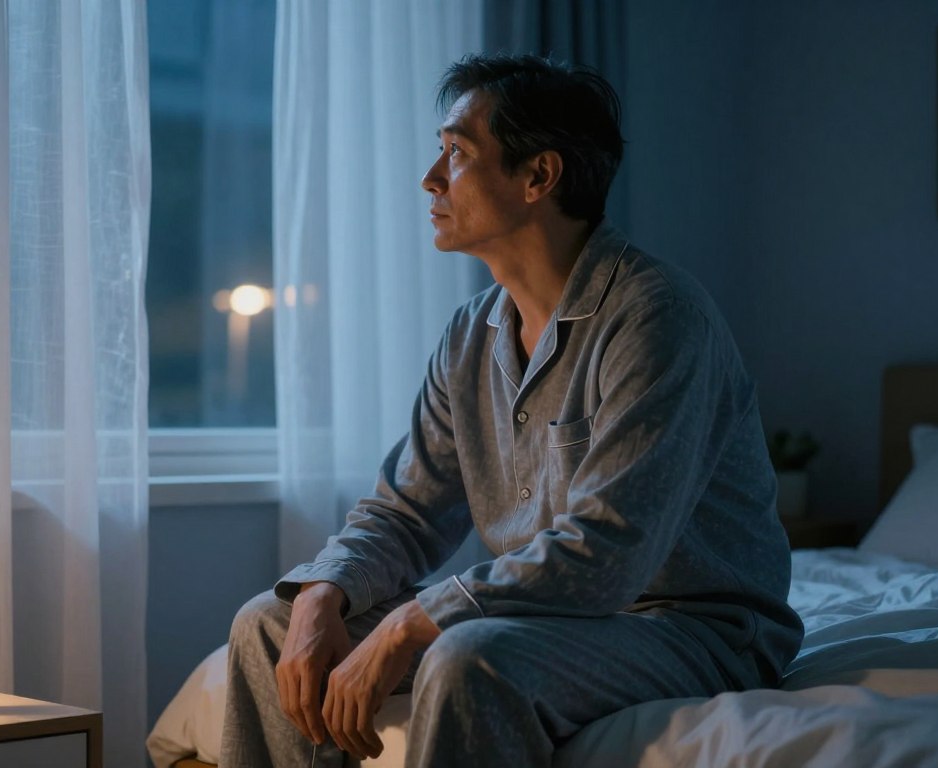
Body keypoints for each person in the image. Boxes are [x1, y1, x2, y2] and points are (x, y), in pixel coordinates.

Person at [220, 53, 803, 768]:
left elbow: (609, 553)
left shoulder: (659, 319)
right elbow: (406, 513)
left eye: (457, 153)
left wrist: (414, 620)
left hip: (690, 629)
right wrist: (323, 592)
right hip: (549, 619)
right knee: (268, 625)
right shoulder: (471, 333)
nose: (431, 178)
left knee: (470, 657)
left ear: (538, 177)